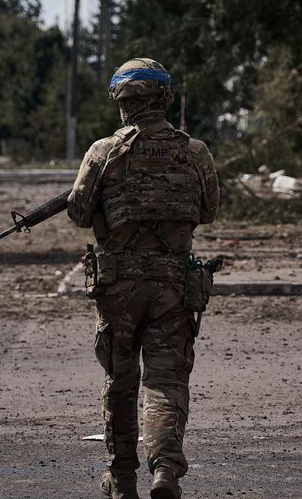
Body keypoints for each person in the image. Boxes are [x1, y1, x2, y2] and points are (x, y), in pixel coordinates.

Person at [67, 58, 220, 499]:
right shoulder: (194, 152)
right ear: (164, 98)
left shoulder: (103, 152)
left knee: (121, 381)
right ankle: (165, 471)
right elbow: (208, 211)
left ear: (121, 102)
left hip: (118, 287)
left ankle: (122, 478)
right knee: (166, 381)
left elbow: (79, 213)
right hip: (173, 285)